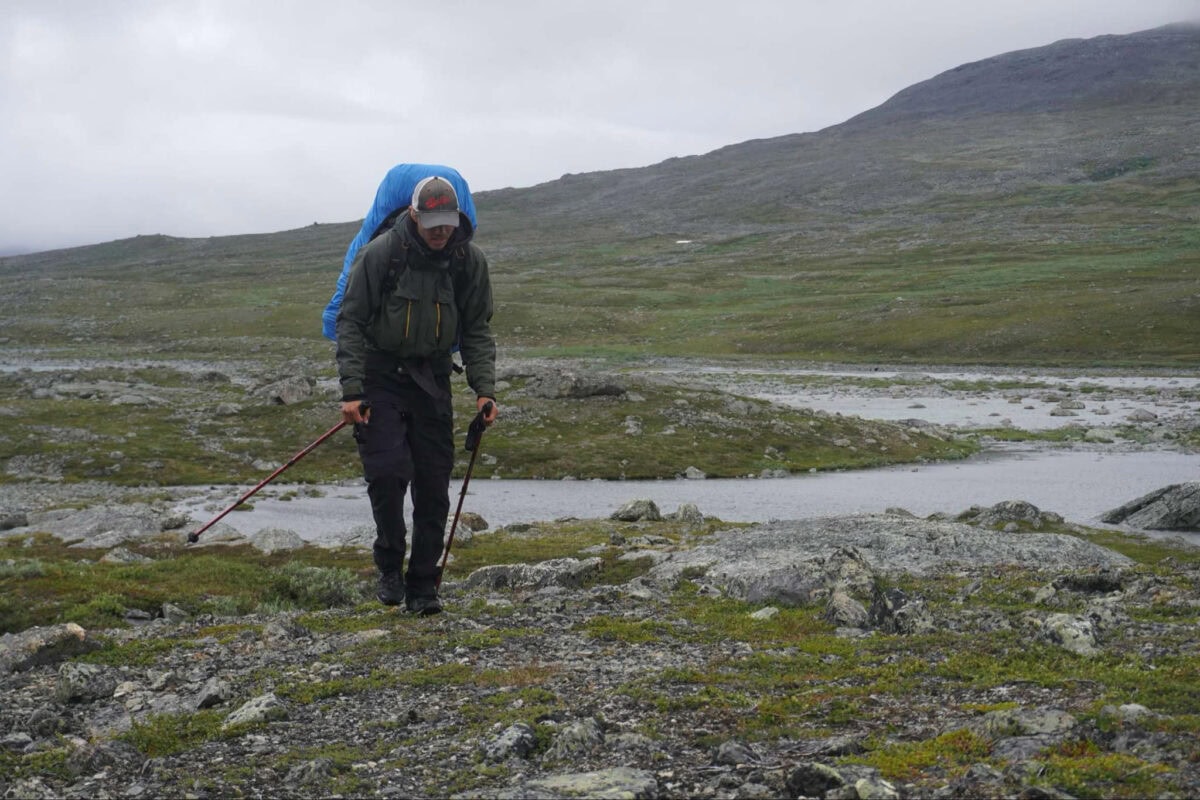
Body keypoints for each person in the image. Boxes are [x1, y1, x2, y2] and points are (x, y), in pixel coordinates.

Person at [335, 175, 498, 615]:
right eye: (433, 224)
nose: (441, 232)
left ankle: (424, 587)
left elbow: (477, 329)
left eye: (448, 223)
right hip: (381, 375)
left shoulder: (468, 261)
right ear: (414, 215)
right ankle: (389, 563)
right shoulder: (381, 255)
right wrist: (352, 391)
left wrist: (484, 390)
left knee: (433, 484)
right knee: (387, 473)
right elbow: (350, 322)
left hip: (434, 379)